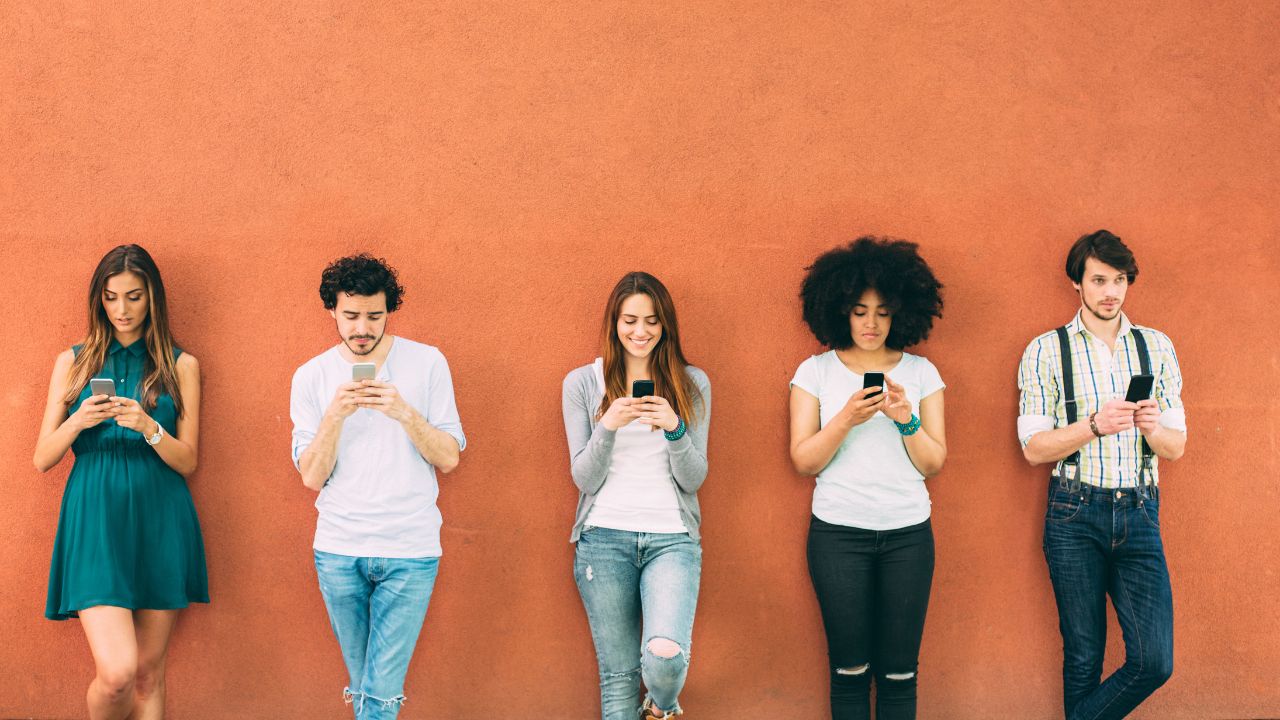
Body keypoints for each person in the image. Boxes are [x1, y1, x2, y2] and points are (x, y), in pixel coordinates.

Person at [1017, 230, 1185, 720]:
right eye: (1099, 280)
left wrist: (1152, 427)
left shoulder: (1156, 346)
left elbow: (1175, 447)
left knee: (1154, 661)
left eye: (1119, 280)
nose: (1111, 291)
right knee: (1084, 655)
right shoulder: (1046, 350)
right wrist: (1092, 426)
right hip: (1074, 512)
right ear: (1078, 284)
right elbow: (1032, 448)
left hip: (1139, 510)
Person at [35, 244, 207, 720]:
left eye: (134, 296)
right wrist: (77, 422)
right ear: (98, 300)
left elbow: (188, 460)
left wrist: (149, 427)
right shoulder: (72, 363)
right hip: (93, 520)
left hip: (160, 516)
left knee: (149, 674)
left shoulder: (181, 366)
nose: (122, 310)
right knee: (117, 675)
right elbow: (42, 458)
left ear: (153, 297)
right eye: (111, 298)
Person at [290, 254, 465, 720]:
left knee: (381, 694)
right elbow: (311, 476)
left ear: (390, 310)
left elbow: (449, 457)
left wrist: (404, 412)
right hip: (338, 549)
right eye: (351, 316)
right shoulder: (311, 376)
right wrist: (334, 416)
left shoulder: (427, 363)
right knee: (366, 690)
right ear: (332, 310)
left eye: (374, 315)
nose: (362, 327)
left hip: (410, 548)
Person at [788, 237, 946, 720]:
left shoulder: (922, 372)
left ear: (901, 311)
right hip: (838, 535)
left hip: (908, 536)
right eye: (859, 311)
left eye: (882, 311)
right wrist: (844, 420)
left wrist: (905, 419)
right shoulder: (814, 372)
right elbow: (804, 460)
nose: (871, 324)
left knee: (900, 674)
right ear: (839, 311)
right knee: (849, 671)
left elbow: (933, 463)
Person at [561, 271, 711, 720]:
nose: (640, 331)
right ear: (614, 322)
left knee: (664, 660)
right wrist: (607, 425)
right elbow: (584, 478)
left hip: (672, 540)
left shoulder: (692, 382)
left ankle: (660, 708)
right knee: (618, 678)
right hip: (603, 540)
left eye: (652, 321)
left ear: (666, 326)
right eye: (630, 320)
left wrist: (674, 427)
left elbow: (694, 478)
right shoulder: (582, 384)